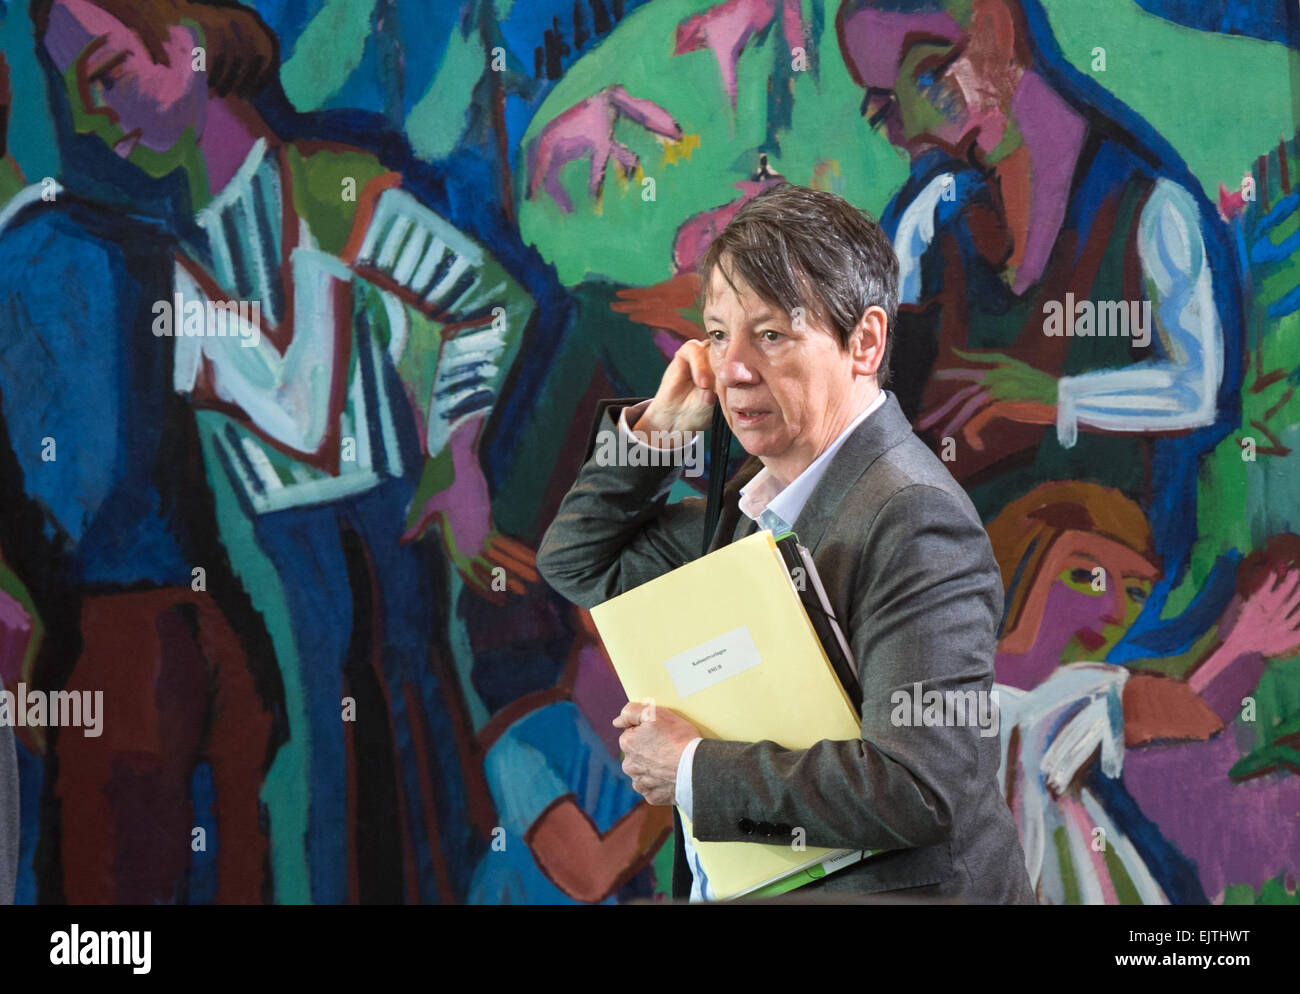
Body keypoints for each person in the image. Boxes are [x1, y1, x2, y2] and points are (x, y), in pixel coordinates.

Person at [537, 183, 1035, 902]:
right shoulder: (753, 507)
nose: (733, 367)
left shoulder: (916, 519)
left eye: (769, 335)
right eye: (716, 335)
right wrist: (659, 436)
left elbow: (919, 787)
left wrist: (689, 770)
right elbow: (579, 562)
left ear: (864, 342)